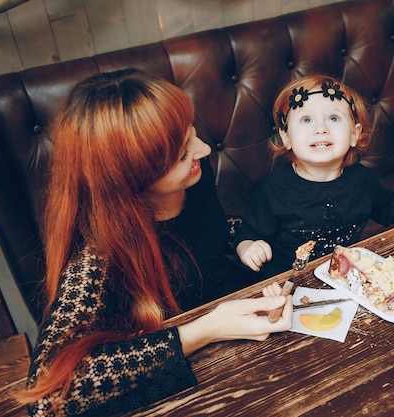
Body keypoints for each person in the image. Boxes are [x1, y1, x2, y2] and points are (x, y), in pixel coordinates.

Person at [17, 68, 292, 416]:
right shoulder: (97, 255)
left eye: (192, 134)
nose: (204, 150)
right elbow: (47, 401)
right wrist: (204, 331)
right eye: (181, 155)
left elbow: (207, 233)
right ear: (131, 179)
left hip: (250, 340)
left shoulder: (195, 173)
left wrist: (253, 235)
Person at [235, 74, 394, 277]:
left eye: (333, 118)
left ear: (354, 134)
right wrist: (248, 249)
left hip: (346, 276)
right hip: (289, 283)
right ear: (286, 136)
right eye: (307, 120)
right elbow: (247, 235)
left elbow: (390, 204)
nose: (320, 128)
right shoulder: (271, 191)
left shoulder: (363, 180)